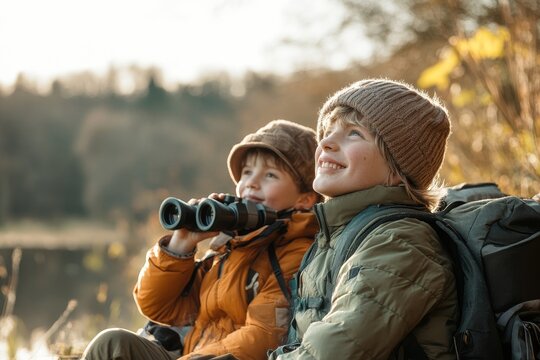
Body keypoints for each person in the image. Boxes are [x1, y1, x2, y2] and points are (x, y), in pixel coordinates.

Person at [82, 119, 321, 360]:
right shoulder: (228, 247)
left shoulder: (296, 253)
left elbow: (263, 337)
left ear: (305, 199)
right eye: (247, 172)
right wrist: (182, 243)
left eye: (270, 175)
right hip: (192, 356)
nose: (251, 182)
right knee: (111, 343)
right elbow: (157, 307)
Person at [269, 79, 458, 359]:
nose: (326, 142)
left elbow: (333, 351)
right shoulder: (336, 236)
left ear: (397, 169)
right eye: (328, 131)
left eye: (354, 133)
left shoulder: (401, 242)